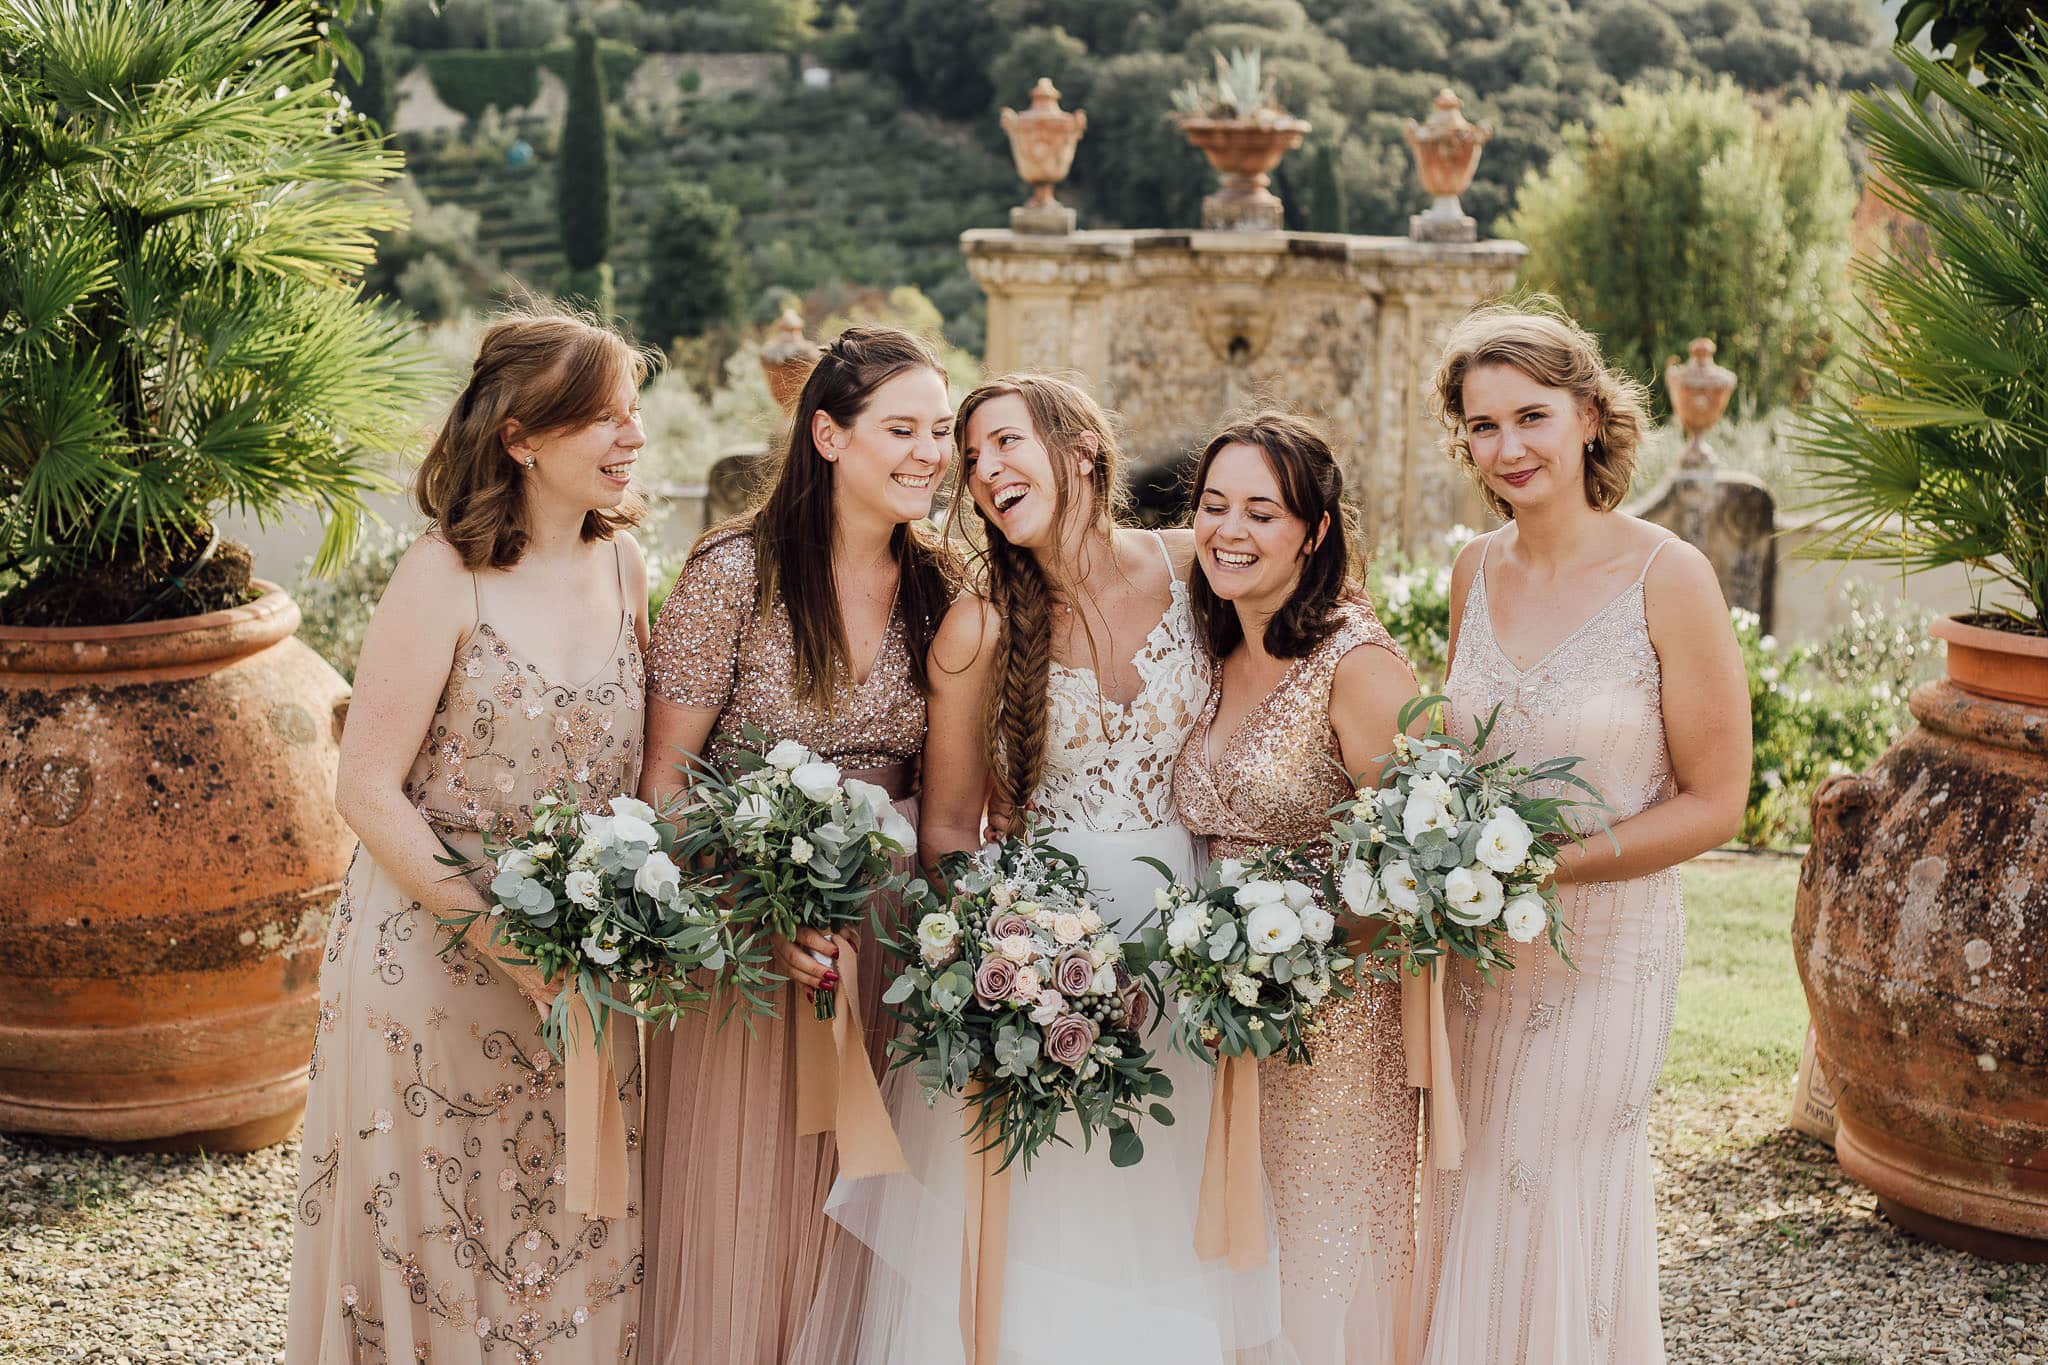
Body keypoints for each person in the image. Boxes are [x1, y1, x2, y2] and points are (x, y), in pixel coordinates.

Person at [809, 375, 1284, 1363]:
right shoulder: (978, 629)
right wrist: (1016, 963)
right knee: (1049, 1222)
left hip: (1189, 950)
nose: (983, 472)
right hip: (1048, 962)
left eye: (1003, 444)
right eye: (971, 458)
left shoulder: (1195, 569)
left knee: (1169, 1216)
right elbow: (945, 830)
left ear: (1079, 452)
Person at [287, 310, 654, 1363]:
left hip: (589, 975)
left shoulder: (626, 567)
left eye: (635, 415)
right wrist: (501, 938)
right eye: (603, 419)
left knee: (575, 1247)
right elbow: (366, 789)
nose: (631, 439)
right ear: (521, 438)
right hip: (436, 970)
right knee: (440, 1249)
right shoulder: (441, 576)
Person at [1414, 306, 1750, 1364]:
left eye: (1530, 416)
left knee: (1545, 1178)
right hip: (1475, 954)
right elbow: (1453, 755)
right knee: (1466, 1184)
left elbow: (1714, 799)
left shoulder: (1668, 575)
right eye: (1480, 427)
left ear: (1590, 418)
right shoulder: (1472, 571)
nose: (1506, 448)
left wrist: (1542, 869)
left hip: (1603, 951)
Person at [634, 326, 959, 1365]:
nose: (928, 454)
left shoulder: (941, 586)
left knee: (867, 1217)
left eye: (940, 431)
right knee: (748, 1207)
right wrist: (760, 911)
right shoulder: (736, 573)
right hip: (751, 944)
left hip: (891, 947)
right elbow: (665, 782)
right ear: (826, 433)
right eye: (900, 429)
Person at [1172, 412, 1422, 1365]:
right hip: (1223, 1019)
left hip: (1336, 1032)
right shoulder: (1214, 647)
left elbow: (1417, 873)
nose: (1229, 530)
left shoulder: (1356, 668)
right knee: (1240, 1277)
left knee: (1320, 1273)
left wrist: (1289, 957)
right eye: (1213, 506)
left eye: (1261, 512)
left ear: (1314, 533)